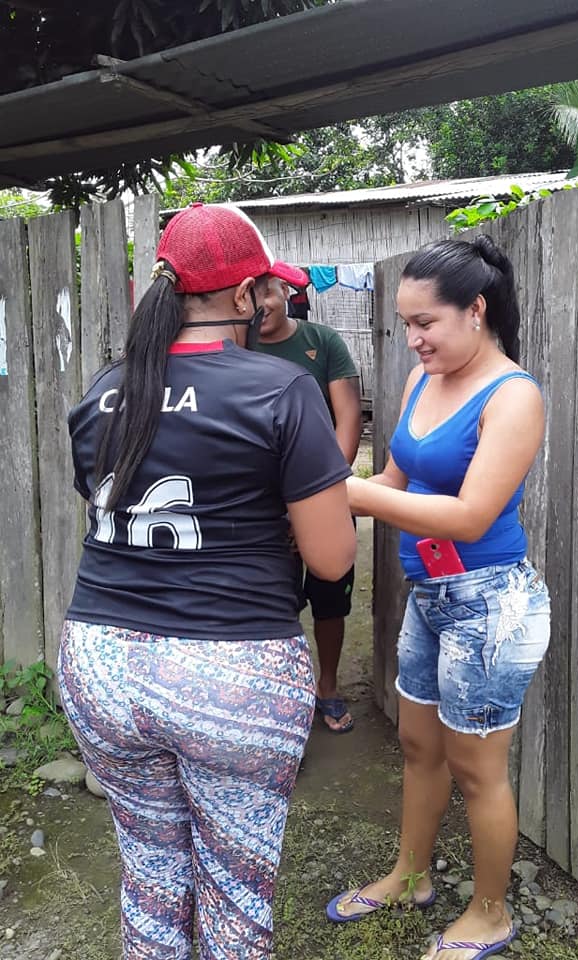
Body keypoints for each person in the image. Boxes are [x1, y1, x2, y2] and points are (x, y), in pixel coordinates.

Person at [58, 202, 357, 960]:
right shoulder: (280, 389)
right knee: (234, 896)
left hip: (100, 665)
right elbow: (331, 560)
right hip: (232, 671)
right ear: (243, 294)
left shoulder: (102, 391)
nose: (273, 300)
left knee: (151, 876)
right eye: (266, 288)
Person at [326, 236, 551, 960]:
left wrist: (352, 495)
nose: (413, 339)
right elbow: (395, 478)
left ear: (475, 310)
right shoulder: (424, 380)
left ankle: (491, 913)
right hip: (429, 594)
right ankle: (410, 876)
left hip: (489, 606)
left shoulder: (513, 396)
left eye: (425, 322)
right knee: (419, 745)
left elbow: (470, 516)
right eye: (406, 323)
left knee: (476, 769)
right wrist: (329, 494)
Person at [256, 277, 362, 734]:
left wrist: (320, 498)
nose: (260, 304)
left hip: (325, 492)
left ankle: (328, 685)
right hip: (263, 505)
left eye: (268, 292)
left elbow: (349, 418)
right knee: (272, 601)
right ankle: (281, 698)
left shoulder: (324, 342)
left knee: (330, 596)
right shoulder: (235, 345)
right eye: (251, 294)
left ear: (286, 292)